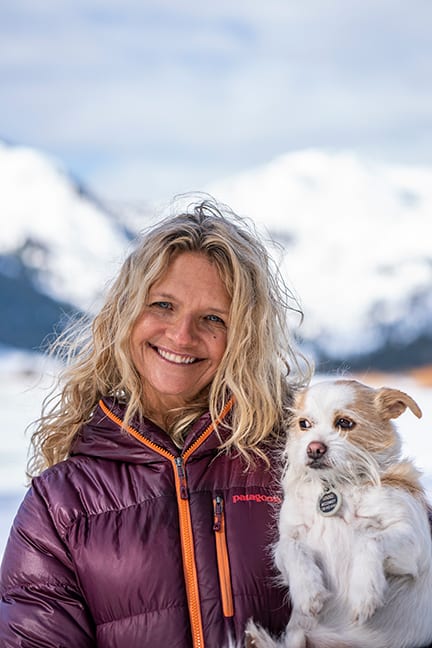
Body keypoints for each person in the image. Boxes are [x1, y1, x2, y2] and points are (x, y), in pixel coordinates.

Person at [0, 197, 307, 647]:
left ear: (244, 338)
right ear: (127, 313)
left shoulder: (300, 460)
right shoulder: (61, 503)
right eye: (163, 305)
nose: (182, 336)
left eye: (212, 318)